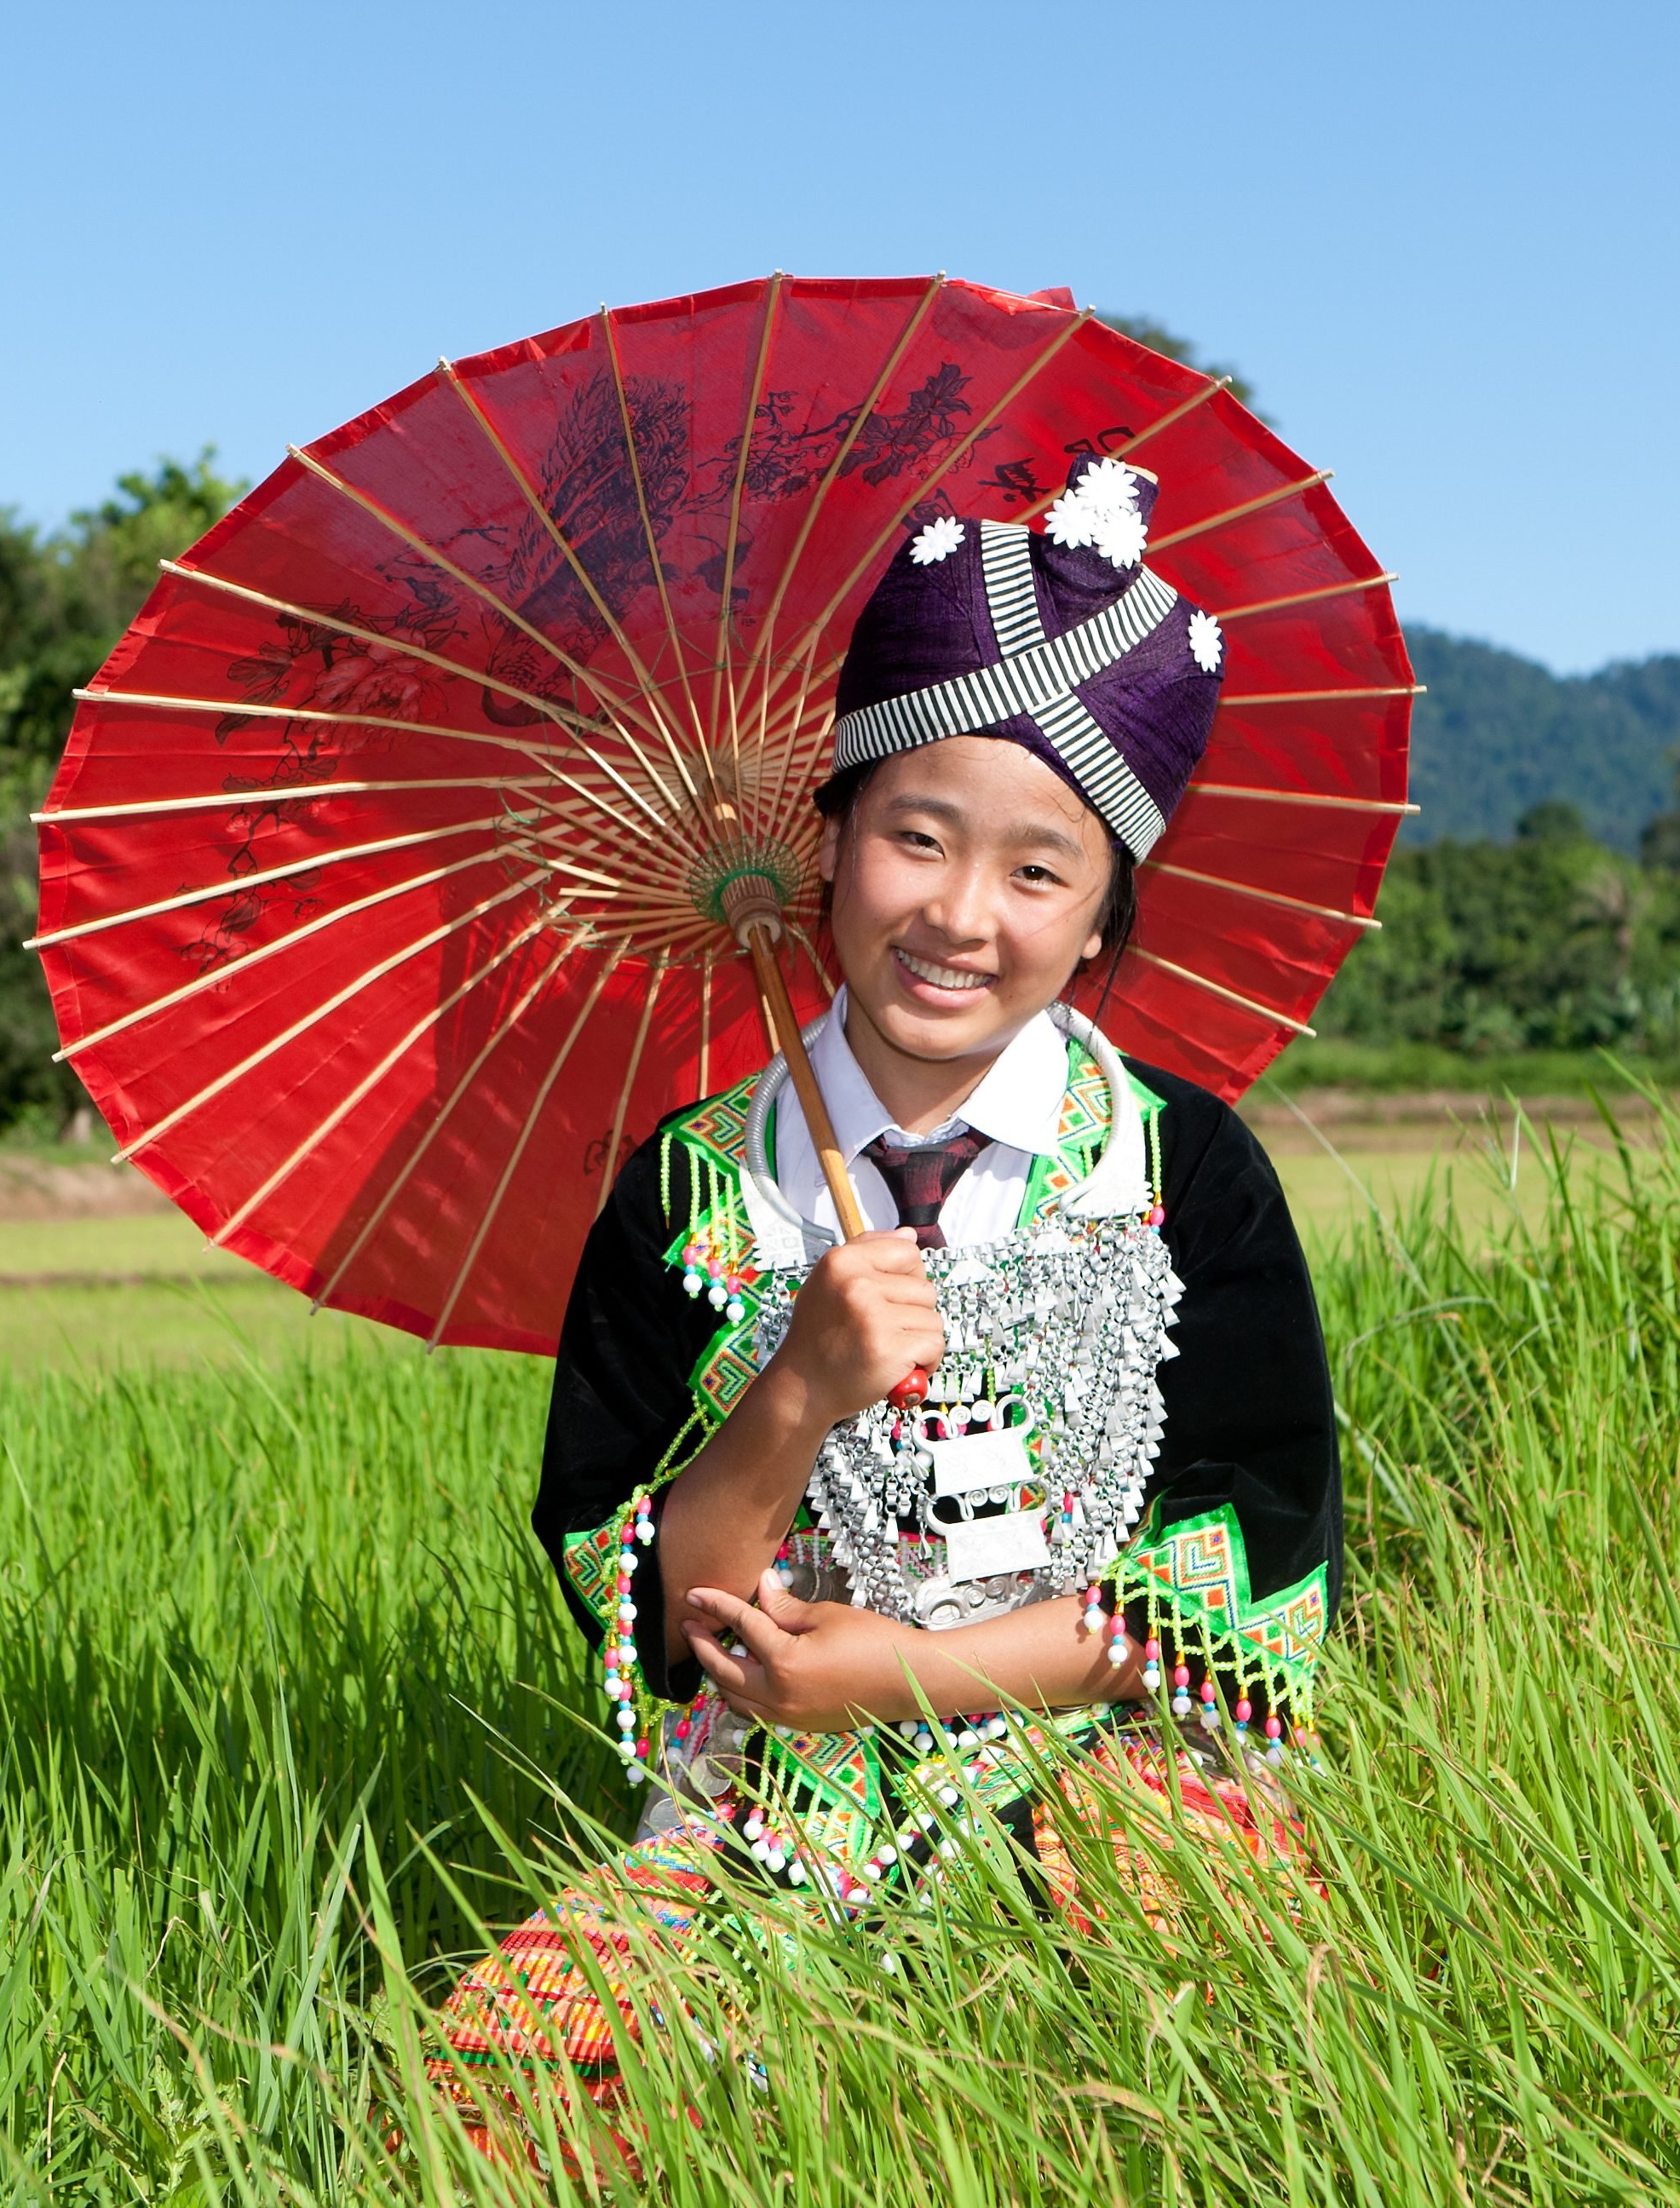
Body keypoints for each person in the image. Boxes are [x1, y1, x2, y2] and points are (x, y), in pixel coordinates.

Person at [434, 454, 1343, 2136]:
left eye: (1038, 874)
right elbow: (657, 1602)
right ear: (832, 841)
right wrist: (799, 1386)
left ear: (1101, 926)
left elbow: (1245, 1571)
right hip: (781, 1787)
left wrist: (911, 1674)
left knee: (1210, 2058)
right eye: (915, 838)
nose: (959, 915)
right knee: (504, 2095)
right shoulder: (692, 1192)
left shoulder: (1181, 1174)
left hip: (1101, 1754)